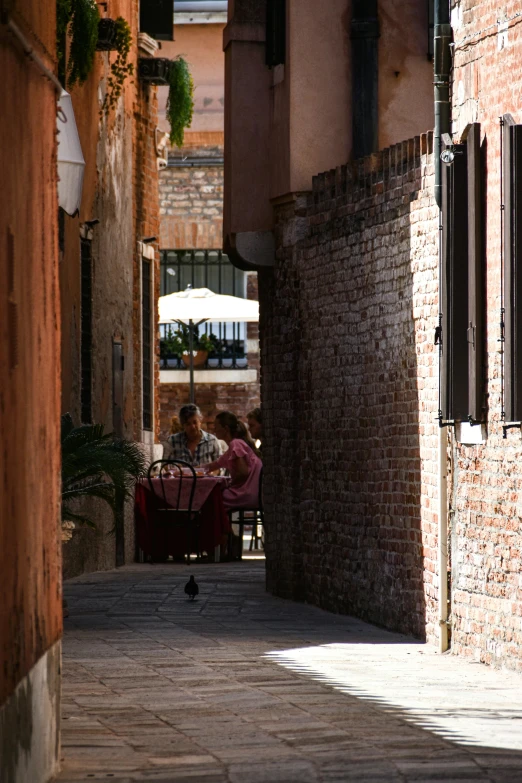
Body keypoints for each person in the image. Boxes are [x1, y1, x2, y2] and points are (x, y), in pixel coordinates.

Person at [204, 411, 262, 510]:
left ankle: (218, 525)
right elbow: (211, 466)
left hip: (246, 494)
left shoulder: (236, 444)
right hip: (251, 494)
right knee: (210, 497)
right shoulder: (233, 447)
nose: (214, 430)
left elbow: (243, 473)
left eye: (216, 426)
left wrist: (229, 484)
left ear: (225, 429)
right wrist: (186, 469)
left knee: (209, 498)